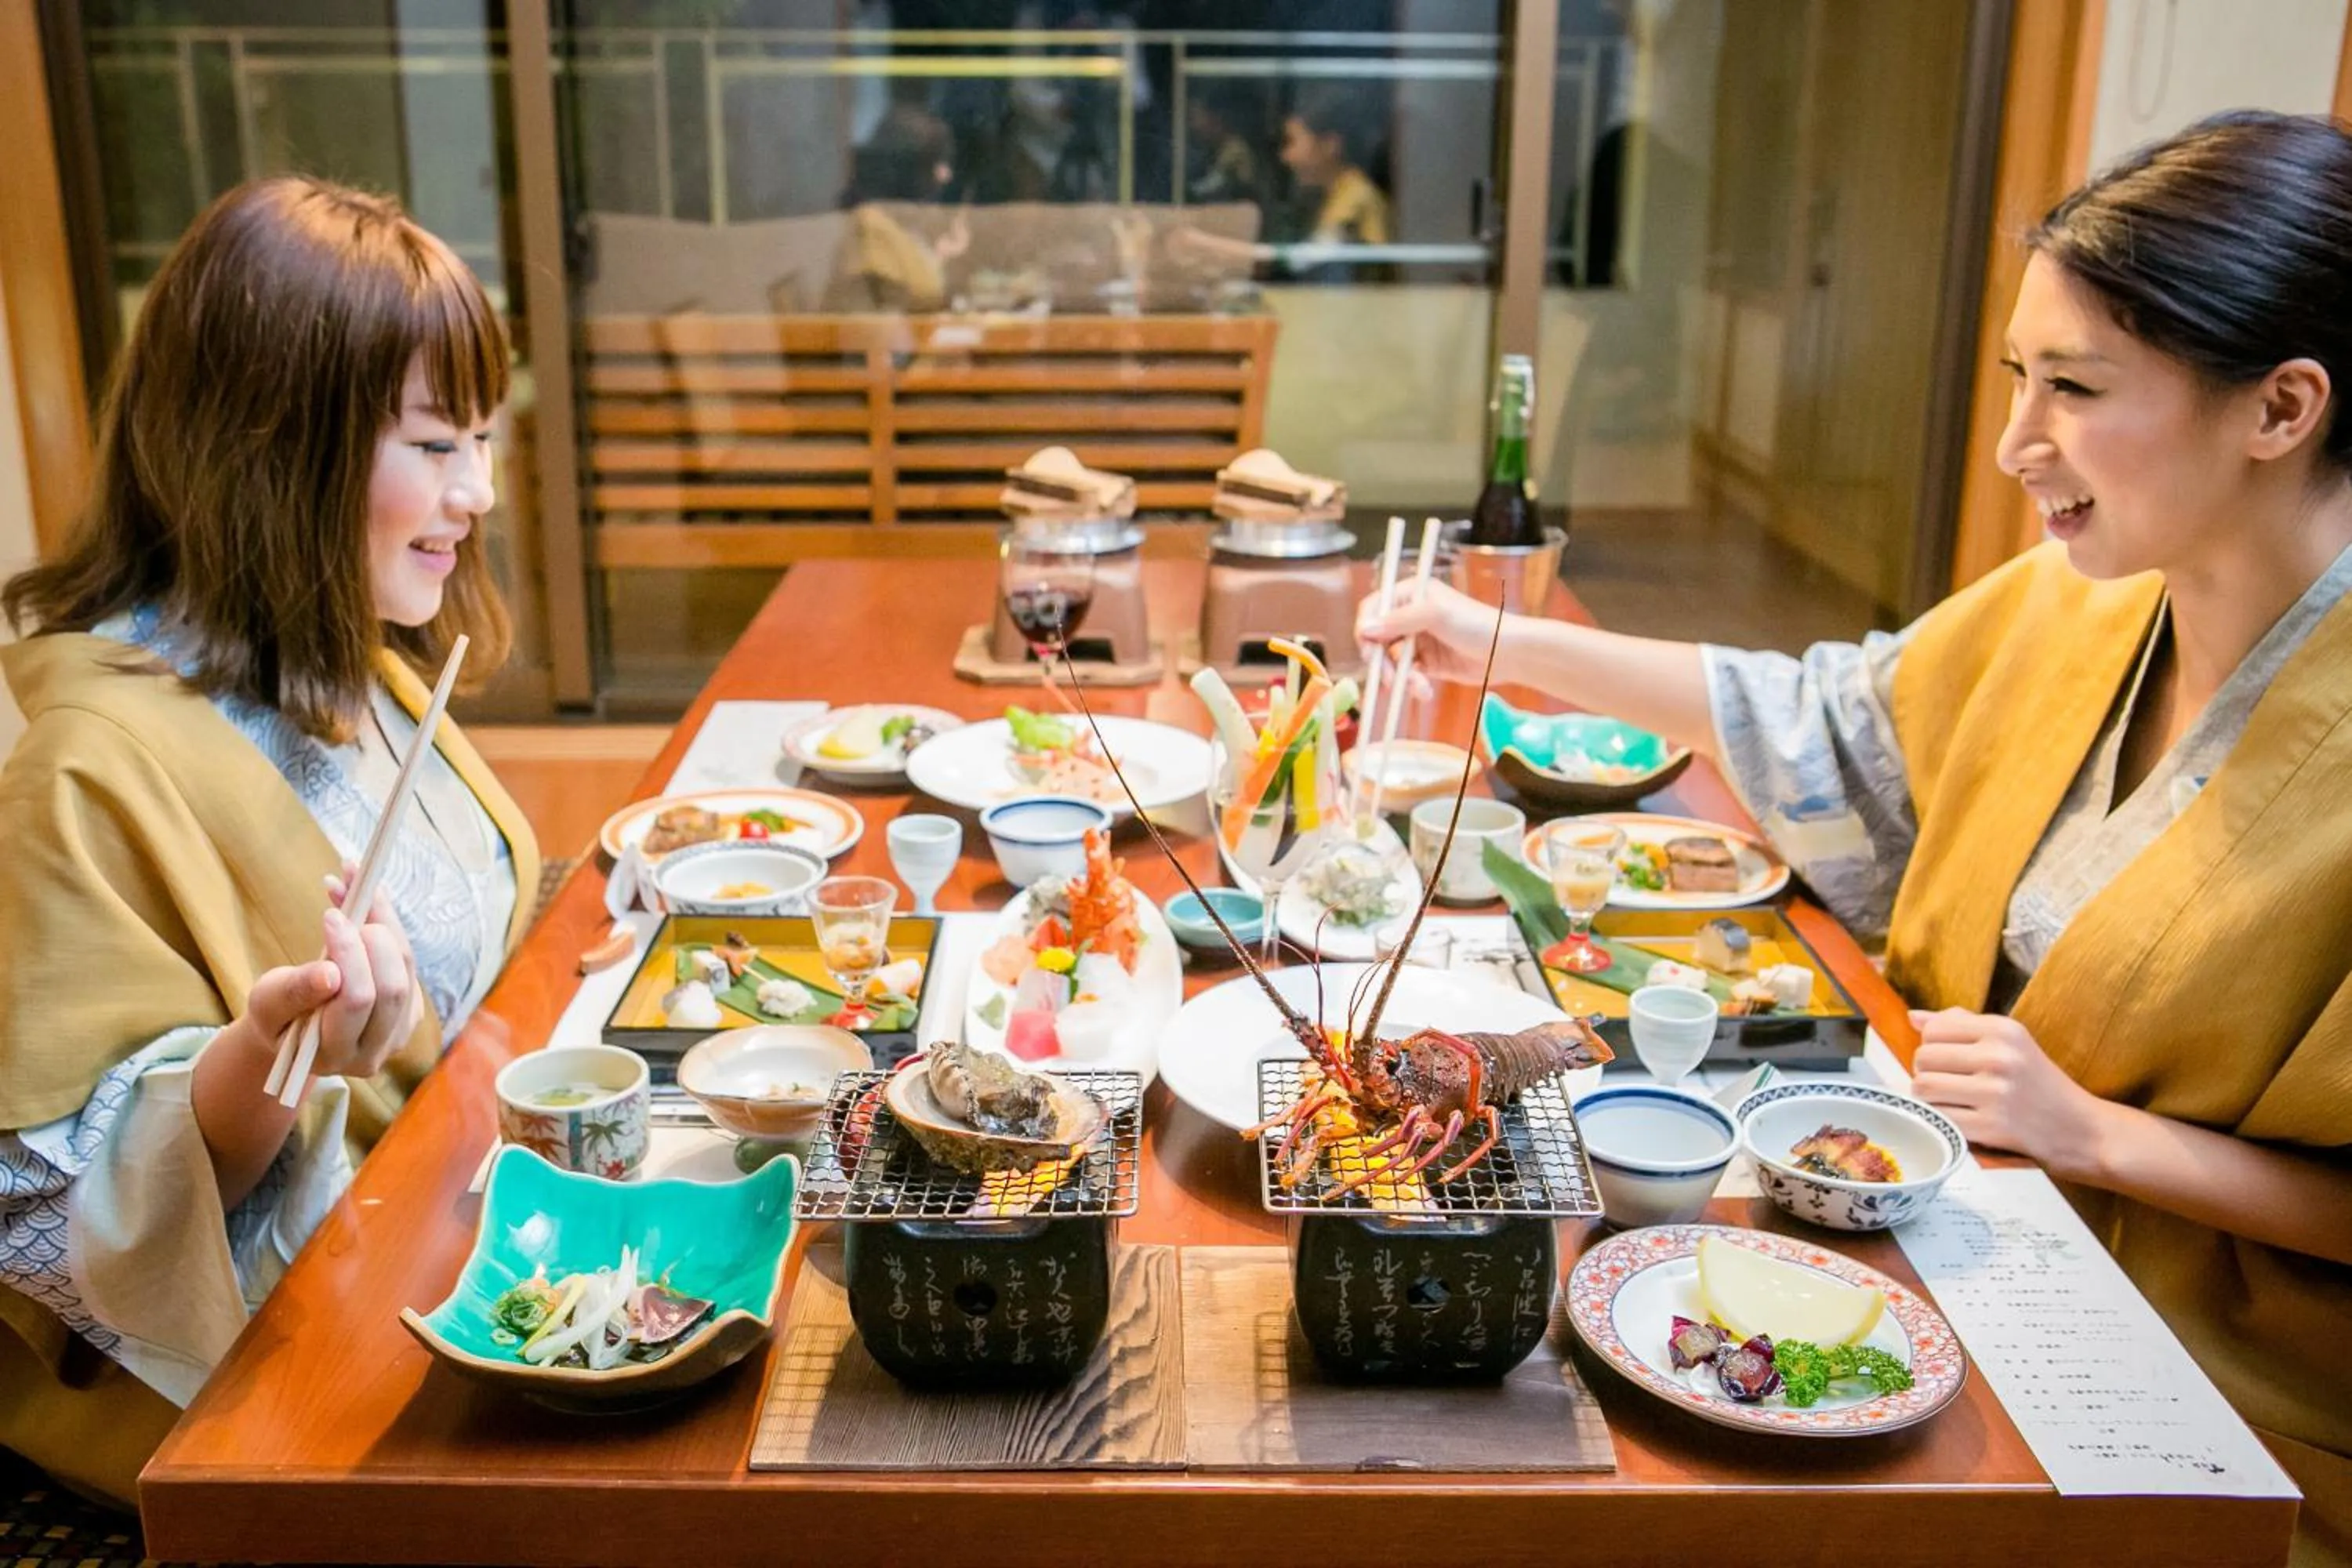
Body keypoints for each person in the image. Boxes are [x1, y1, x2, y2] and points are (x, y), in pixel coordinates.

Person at [1360, 111, 2352, 1566]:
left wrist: (2098, 1134)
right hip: (1934, 1239)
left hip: (2206, 1398)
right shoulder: (2083, 598)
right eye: (2020, 376)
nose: (2019, 443)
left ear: (2282, 409)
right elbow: (1822, 721)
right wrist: (1486, 638)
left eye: (2074, 388)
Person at [0, 176, 540, 1508]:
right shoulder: (85, 771)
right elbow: (50, 1226)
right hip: (268, 1406)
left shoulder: (352, 659)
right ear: (271, 444)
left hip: (455, 1252)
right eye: (432, 444)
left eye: (484, 436)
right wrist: (262, 1065)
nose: (477, 490)